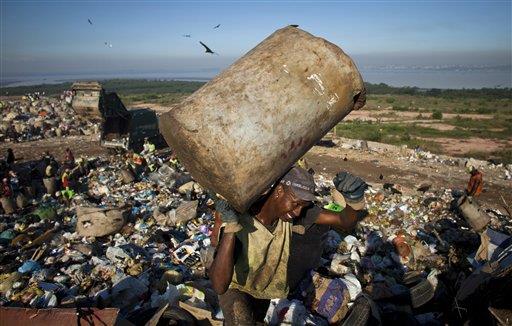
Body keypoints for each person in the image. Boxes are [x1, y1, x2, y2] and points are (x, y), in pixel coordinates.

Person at [208, 167, 368, 325]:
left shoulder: (290, 216)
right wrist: (231, 227)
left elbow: (344, 221)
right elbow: (219, 286)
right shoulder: (242, 218)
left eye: (302, 207)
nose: (298, 212)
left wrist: (353, 201)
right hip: (235, 289)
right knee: (240, 318)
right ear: (278, 191)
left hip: (261, 291)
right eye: (295, 203)